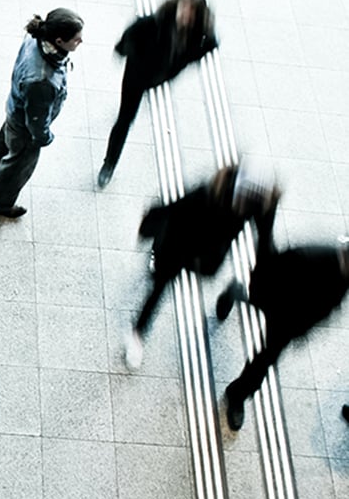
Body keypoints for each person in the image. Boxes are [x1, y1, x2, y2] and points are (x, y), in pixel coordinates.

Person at [127, 163, 279, 370]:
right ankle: (138, 333)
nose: (245, 206)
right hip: (179, 244)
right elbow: (174, 210)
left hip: (209, 256)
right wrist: (150, 226)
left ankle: (230, 292)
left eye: (251, 202)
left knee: (202, 273)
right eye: (243, 200)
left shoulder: (258, 205)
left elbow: (265, 242)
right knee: (159, 287)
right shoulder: (206, 194)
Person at [216, 237, 349, 431]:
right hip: (278, 303)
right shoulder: (314, 256)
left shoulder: (345, 278)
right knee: (263, 351)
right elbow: (277, 266)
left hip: (289, 323)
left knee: (264, 360)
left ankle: (237, 393)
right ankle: (235, 293)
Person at [98, 0, 218, 188]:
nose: (185, 16)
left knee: (127, 115)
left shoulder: (198, 36)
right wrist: (127, 52)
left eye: (191, 14)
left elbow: (210, 45)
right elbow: (128, 38)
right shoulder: (153, 23)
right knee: (125, 119)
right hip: (136, 77)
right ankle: (109, 164)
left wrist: (187, 60)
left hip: (160, 77)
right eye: (184, 10)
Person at [0, 8, 84, 218]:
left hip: (15, 107)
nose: (80, 42)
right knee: (19, 164)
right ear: (58, 41)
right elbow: (36, 120)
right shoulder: (42, 80)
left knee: (5, 140)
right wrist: (43, 137)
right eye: (76, 39)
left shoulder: (35, 37)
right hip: (26, 126)